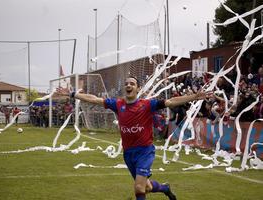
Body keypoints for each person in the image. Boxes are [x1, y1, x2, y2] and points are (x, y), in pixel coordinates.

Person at [57, 76, 210, 200]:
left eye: (132, 83)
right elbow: (94, 99)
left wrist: (194, 97)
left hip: (145, 151)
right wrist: (73, 94)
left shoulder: (147, 104)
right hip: (128, 153)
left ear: (138, 88)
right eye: (126, 83)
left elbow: (170, 102)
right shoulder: (118, 104)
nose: (128, 85)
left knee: (138, 188)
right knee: (147, 187)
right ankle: (165, 188)